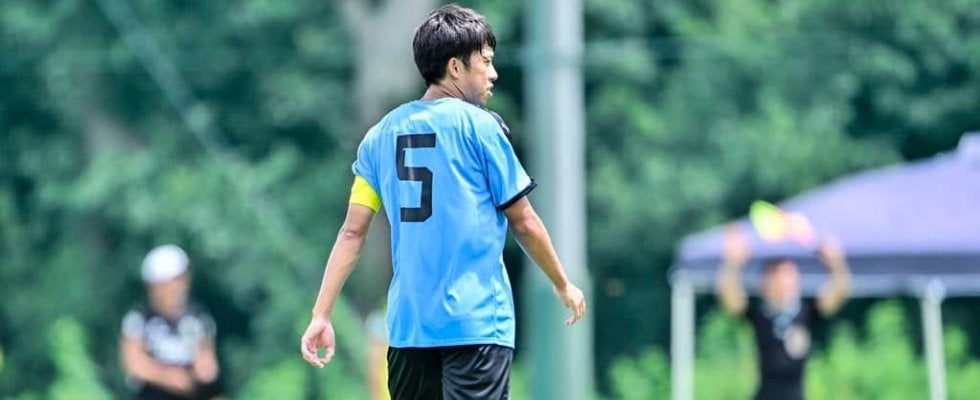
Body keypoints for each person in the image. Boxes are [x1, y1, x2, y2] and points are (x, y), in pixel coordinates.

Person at [300, 4, 586, 399]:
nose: (493, 73)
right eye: (485, 61)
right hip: (475, 324)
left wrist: (322, 313)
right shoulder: (482, 128)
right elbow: (523, 220)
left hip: (409, 329)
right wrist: (562, 283)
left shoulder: (378, 137)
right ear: (455, 67)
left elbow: (352, 233)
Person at [716, 225, 850, 400]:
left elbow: (837, 295)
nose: (783, 283)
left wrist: (837, 263)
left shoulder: (807, 311)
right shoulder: (760, 314)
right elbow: (730, 300)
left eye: (788, 276)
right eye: (776, 277)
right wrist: (731, 264)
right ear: (765, 283)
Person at [120, 245, 222, 400]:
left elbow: (207, 364)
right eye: (168, 283)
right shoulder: (140, 319)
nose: (175, 288)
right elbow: (134, 363)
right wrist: (168, 377)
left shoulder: (198, 318)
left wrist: (202, 374)